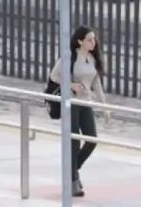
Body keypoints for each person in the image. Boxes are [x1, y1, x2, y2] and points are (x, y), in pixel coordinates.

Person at [50, 26, 108, 198]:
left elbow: (96, 84)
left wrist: (105, 107)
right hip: (71, 103)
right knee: (74, 142)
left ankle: (72, 170)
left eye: (94, 39)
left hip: (86, 103)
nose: (93, 42)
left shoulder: (92, 58)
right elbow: (54, 76)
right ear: (80, 41)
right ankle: (73, 181)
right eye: (89, 39)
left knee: (92, 140)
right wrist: (71, 84)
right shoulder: (69, 57)